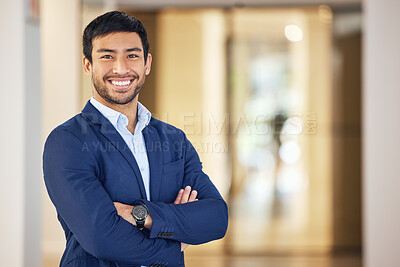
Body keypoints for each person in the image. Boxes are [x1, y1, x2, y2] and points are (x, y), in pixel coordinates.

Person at [43, 10, 228, 267]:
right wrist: (176, 236)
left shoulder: (174, 140)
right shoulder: (67, 141)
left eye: (132, 55)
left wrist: (139, 215)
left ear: (147, 63)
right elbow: (101, 238)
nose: (121, 68)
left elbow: (216, 218)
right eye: (107, 56)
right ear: (88, 65)